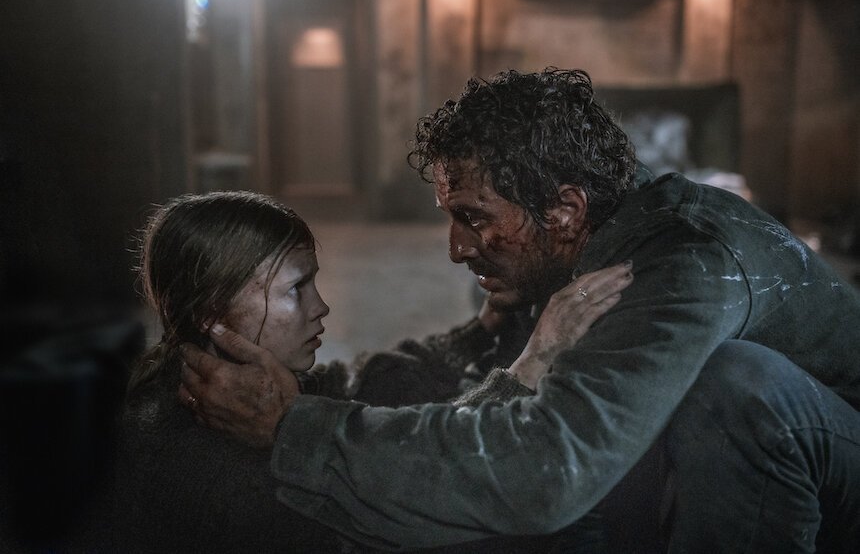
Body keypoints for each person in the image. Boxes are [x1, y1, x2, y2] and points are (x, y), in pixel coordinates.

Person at [180, 69, 860, 552]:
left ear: (564, 209)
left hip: (840, 470)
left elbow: (546, 471)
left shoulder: (681, 265)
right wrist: (323, 398)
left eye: (474, 218)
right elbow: (458, 383)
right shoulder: (569, 252)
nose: (455, 248)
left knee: (737, 387)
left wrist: (296, 431)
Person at [105, 190, 629, 554]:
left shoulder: (204, 378)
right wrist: (531, 363)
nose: (321, 307)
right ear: (211, 312)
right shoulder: (207, 462)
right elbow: (417, 491)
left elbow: (361, 381)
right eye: (296, 290)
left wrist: (480, 330)